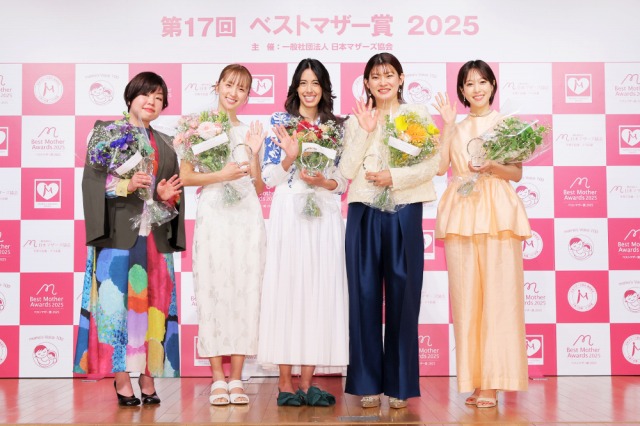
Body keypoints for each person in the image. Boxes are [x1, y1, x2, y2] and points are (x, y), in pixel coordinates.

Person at [74, 71, 185, 406]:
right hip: (117, 236)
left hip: (154, 236)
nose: (152, 102)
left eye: (159, 98)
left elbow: (172, 191)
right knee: (115, 306)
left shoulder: (166, 142)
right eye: (146, 94)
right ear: (131, 97)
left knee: (155, 305)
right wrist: (125, 184)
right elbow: (92, 182)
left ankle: (149, 375)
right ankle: (121, 377)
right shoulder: (107, 133)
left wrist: (166, 195)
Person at [339, 52, 440, 409]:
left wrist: (393, 176)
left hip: (404, 209)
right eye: (375, 76)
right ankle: (367, 381)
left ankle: (399, 383)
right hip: (363, 210)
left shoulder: (418, 116)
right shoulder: (356, 120)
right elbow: (346, 171)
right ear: (366, 83)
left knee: (403, 294)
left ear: (401, 78)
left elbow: (433, 164)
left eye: (389, 75)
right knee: (364, 295)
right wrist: (364, 133)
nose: (382, 82)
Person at [434, 59, 531, 408]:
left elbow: (516, 173)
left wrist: (491, 166)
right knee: (467, 299)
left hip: (497, 213)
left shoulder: (505, 124)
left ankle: (493, 381)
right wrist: (447, 126)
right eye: (469, 84)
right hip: (462, 213)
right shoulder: (456, 127)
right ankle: (476, 380)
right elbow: (441, 167)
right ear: (462, 91)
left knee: (498, 297)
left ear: (492, 86)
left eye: (482, 82)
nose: (476, 89)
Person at [257, 58, 349, 407]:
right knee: (288, 289)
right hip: (289, 211)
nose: (309, 89)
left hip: (324, 212)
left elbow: (342, 181)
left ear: (324, 88)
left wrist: (323, 182)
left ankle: (308, 383)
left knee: (318, 292)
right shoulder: (280, 123)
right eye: (303, 82)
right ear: (295, 87)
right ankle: (285, 383)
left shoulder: (337, 127)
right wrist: (289, 158)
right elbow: (268, 178)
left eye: (316, 83)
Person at [180, 64, 266, 406]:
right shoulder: (196, 126)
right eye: (229, 85)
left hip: (246, 216)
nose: (234, 92)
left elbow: (258, 186)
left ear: (247, 95)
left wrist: (254, 153)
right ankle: (217, 376)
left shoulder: (249, 131)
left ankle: (237, 378)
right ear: (217, 86)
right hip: (214, 213)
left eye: (241, 88)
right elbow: (186, 177)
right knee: (212, 287)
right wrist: (221, 175)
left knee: (246, 290)